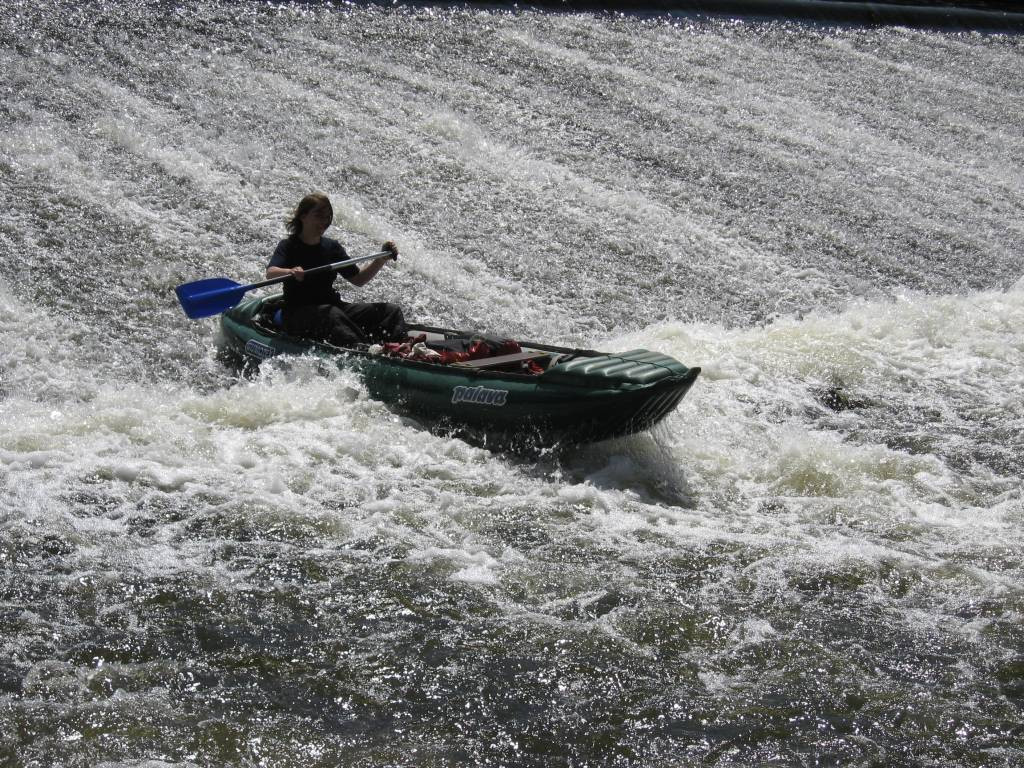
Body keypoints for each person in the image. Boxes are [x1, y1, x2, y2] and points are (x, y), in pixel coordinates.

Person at [267, 193, 407, 346]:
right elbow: (271, 273)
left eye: (327, 217)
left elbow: (358, 279)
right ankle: (364, 351)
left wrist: (380, 259)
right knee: (331, 314)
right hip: (297, 312)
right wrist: (289, 272)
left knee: (390, 311)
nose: (324, 221)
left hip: (333, 307)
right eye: (319, 215)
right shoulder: (287, 245)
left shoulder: (331, 247)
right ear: (303, 216)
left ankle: (399, 349)